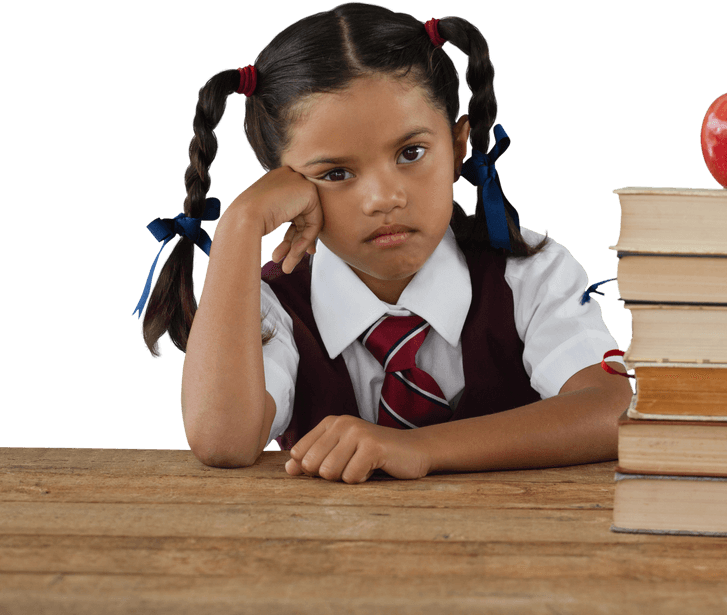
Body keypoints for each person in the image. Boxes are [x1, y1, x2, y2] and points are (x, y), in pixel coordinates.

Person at [132, 2, 633, 483]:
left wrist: (420, 449)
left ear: (459, 147)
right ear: (286, 191)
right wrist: (240, 224)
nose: (383, 198)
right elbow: (223, 442)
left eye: (411, 152)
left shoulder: (528, 272)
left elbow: (613, 411)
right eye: (336, 173)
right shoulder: (270, 306)